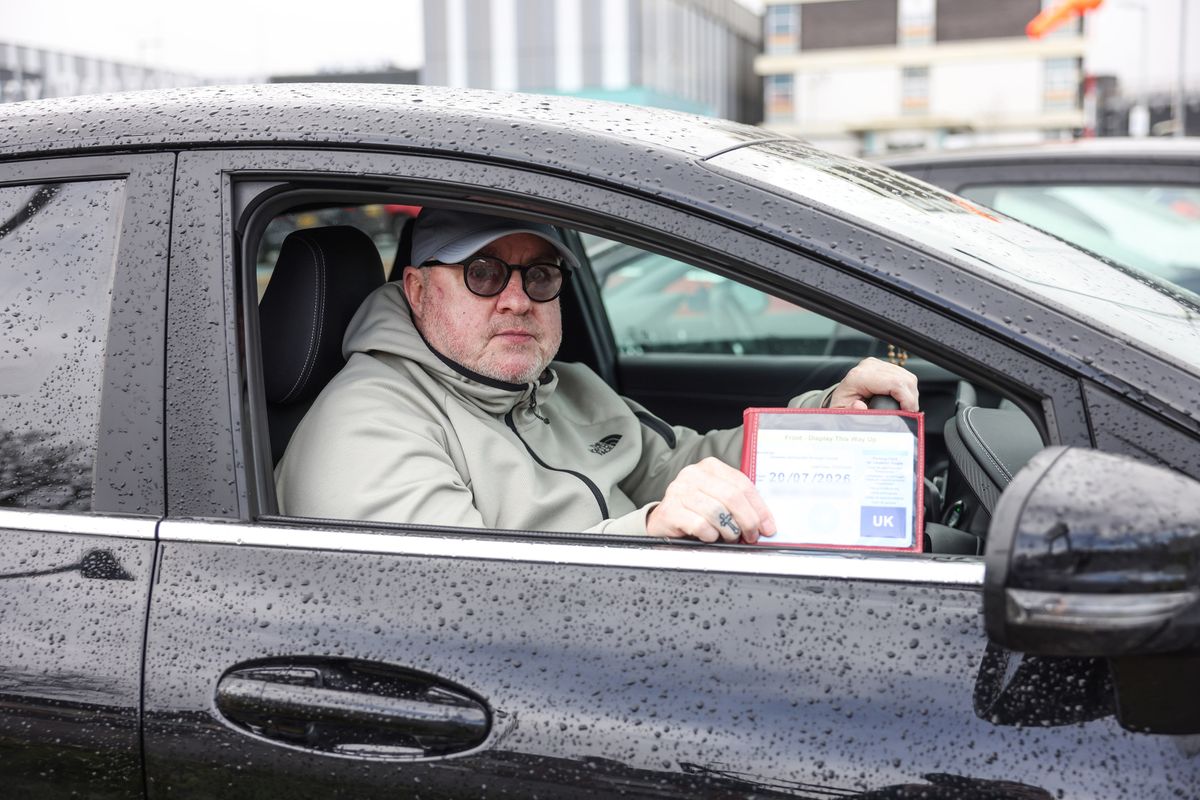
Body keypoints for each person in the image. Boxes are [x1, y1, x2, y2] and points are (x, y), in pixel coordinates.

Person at [275, 209, 919, 543]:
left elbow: (681, 464)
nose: (517, 299)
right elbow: (459, 605)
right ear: (417, 291)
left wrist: (827, 416)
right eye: (484, 273)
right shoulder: (367, 426)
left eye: (540, 275)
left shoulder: (565, 385)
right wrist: (652, 532)